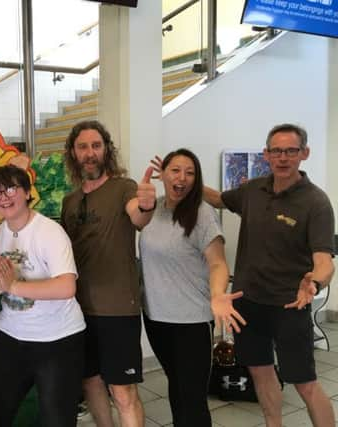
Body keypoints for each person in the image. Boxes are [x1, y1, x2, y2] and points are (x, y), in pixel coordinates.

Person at [204, 123, 336, 427]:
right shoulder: (253, 190)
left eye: (291, 150)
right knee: (261, 374)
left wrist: (314, 282)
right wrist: (184, 179)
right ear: (266, 154)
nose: (283, 157)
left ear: (305, 153)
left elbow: (324, 261)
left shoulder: (316, 202)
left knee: (305, 383)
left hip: (290, 306)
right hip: (248, 304)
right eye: (276, 151)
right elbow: (218, 199)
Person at [60, 120, 156, 427]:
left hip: (117, 308)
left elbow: (138, 217)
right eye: (83, 147)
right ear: (73, 153)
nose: (90, 153)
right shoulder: (70, 201)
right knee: (90, 383)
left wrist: (147, 205)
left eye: (96, 146)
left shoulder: (123, 188)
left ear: (106, 150)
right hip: (77, 310)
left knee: (123, 391)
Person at [140, 148, 245, 427]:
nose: (182, 178)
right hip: (156, 318)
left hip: (191, 321)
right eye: (175, 170)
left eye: (190, 172)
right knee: (177, 387)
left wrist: (218, 295)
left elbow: (218, 264)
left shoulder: (202, 213)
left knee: (192, 398)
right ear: (163, 174)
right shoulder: (154, 208)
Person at [0, 164, 86, 427]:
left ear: (27, 192)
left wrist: (13, 286)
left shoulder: (50, 232)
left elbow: (66, 287)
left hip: (58, 339)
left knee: (57, 420)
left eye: (11, 189)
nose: (3, 197)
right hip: (11, 338)